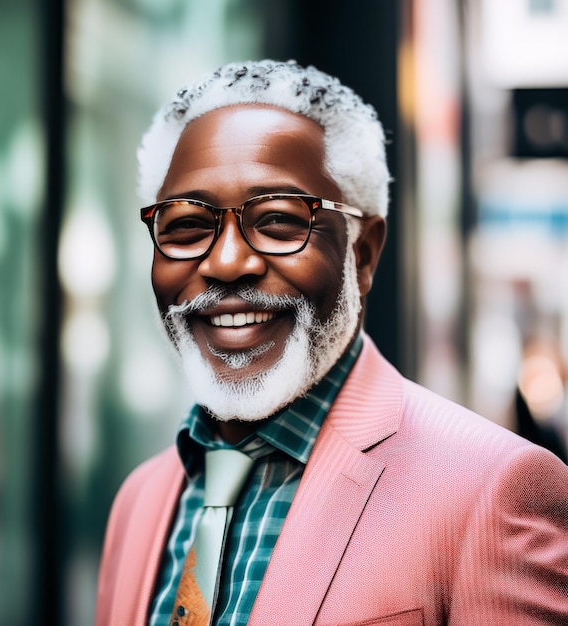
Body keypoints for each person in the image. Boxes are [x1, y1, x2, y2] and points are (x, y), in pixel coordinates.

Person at [95, 60, 568, 626]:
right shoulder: (139, 501)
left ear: (362, 253)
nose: (225, 263)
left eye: (278, 220)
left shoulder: (494, 492)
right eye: (187, 226)